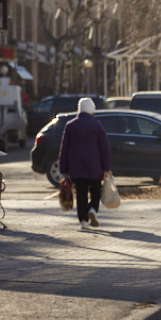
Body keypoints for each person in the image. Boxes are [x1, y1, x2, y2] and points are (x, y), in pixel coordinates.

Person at [58, 97, 112, 230]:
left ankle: (83, 222)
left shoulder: (70, 125)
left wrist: (63, 170)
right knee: (95, 191)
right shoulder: (97, 125)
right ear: (91, 111)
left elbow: (63, 149)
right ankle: (93, 209)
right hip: (94, 165)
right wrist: (107, 168)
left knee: (81, 194)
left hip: (76, 166)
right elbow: (105, 148)